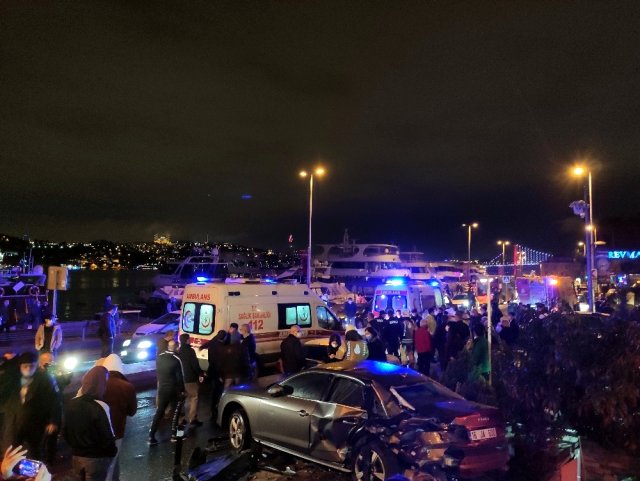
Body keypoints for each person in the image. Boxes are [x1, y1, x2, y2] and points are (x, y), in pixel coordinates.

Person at [2, 350, 61, 461]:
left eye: (31, 366)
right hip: (14, 421)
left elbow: (54, 400)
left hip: (35, 422)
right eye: (25, 366)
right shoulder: (13, 378)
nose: (28, 369)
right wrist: (11, 359)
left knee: (35, 451)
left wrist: (53, 420)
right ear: (20, 366)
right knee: (12, 450)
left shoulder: (44, 379)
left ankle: (36, 469)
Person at [63, 366, 117, 481]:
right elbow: (107, 436)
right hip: (96, 459)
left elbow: (65, 431)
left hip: (76, 457)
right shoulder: (100, 406)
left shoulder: (71, 403)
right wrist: (112, 453)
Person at [99, 355, 136, 481]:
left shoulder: (98, 383)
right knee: (112, 462)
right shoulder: (127, 386)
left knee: (107, 462)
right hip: (117, 431)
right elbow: (132, 412)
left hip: (97, 430)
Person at [148, 340, 184, 446]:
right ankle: (174, 435)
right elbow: (180, 377)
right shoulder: (176, 359)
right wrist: (182, 390)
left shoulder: (160, 357)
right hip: (173, 389)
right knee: (175, 412)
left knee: (159, 412)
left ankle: (151, 436)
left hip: (162, 389)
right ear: (176, 347)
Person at [176, 334, 203, 427]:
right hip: (190, 378)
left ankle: (181, 419)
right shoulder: (190, 351)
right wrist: (200, 373)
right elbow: (194, 364)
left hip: (181, 379)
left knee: (183, 399)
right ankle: (192, 418)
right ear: (187, 340)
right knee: (194, 397)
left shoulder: (178, 351)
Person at [206, 330, 227, 420]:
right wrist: (220, 376)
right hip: (218, 372)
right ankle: (215, 409)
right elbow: (221, 363)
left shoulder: (212, 345)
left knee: (213, 389)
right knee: (217, 391)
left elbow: (210, 359)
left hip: (211, 370)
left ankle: (212, 408)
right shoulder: (222, 348)